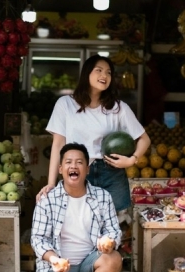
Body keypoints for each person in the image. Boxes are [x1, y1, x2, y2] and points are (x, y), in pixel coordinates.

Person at [36, 54, 151, 221]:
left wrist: (132, 160)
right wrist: (51, 183)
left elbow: (144, 139)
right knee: (79, 225)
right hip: (78, 172)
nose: (104, 76)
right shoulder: (65, 104)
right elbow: (58, 144)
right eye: (99, 70)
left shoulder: (118, 108)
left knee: (114, 227)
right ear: (87, 74)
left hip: (112, 172)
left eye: (109, 72)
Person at [32, 143, 123, 272]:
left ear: (87, 169)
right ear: (60, 169)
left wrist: (109, 242)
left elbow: (114, 230)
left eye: (80, 162)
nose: (74, 166)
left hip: (89, 264)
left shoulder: (102, 197)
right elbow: (38, 239)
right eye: (68, 162)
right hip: (57, 266)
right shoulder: (47, 200)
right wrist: (54, 259)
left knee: (113, 258)